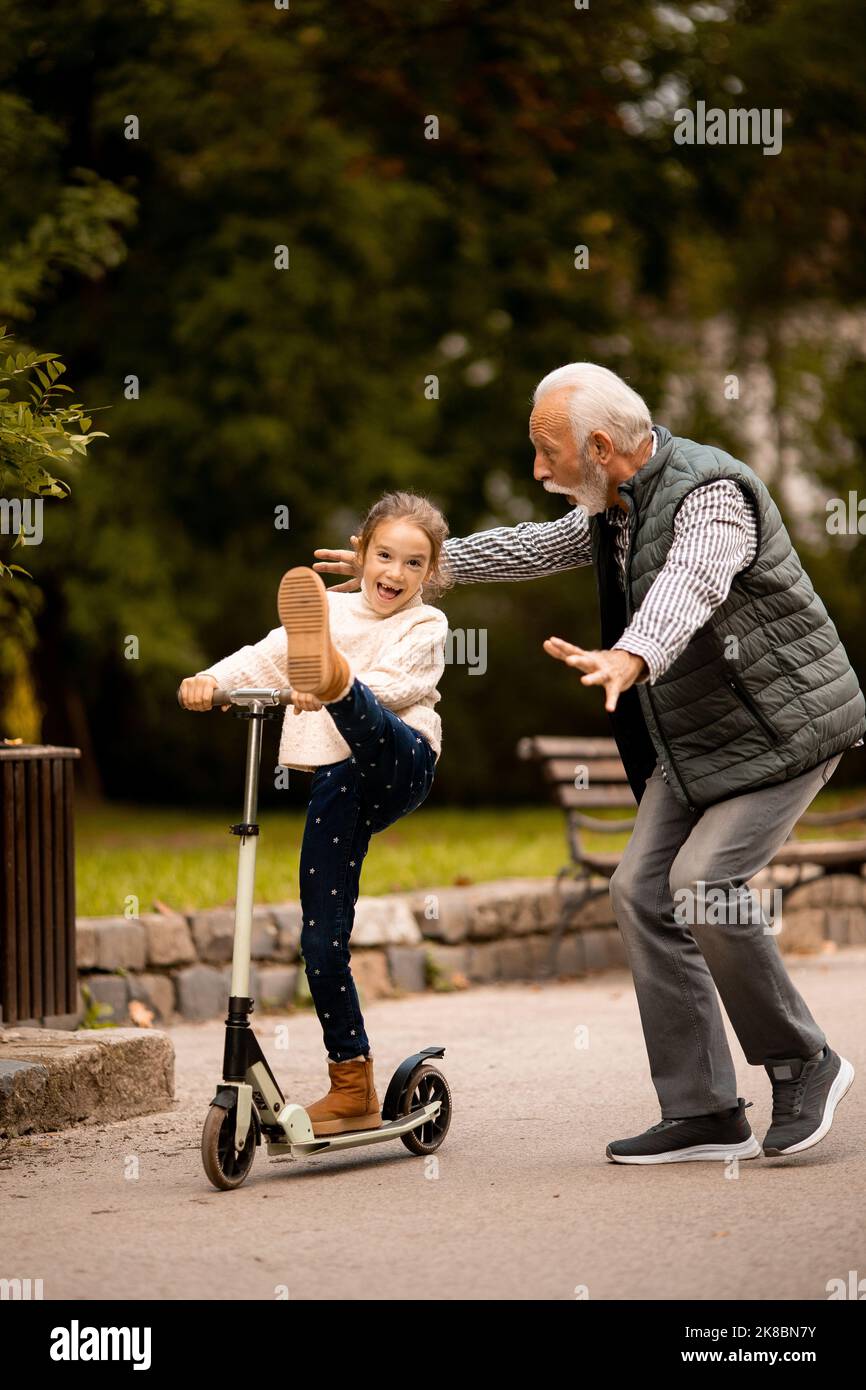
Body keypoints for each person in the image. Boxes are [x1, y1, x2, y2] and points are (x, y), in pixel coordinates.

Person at [314, 362, 865, 1164]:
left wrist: (633, 654)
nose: (538, 472)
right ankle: (705, 1109)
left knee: (701, 883)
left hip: (783, 728)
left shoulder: (713, 495)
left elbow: (691, 583)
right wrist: (410, 567)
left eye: (547, 453)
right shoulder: (614, 508)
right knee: (640, 890)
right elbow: (532, 547)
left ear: (601, 447)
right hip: (700, 741)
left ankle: (804, 1061)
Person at [179, 490, 451, 1137]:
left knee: (364, 705)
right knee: (320, 941)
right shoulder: (323, 610)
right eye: (384, 555)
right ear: (359, 553)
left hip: (400, 761)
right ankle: (351, 1084)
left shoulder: (425, 626)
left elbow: (398, 684)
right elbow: (262, 660)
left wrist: (333, 683)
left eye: (414, 565)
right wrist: (211, 681)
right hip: (339, 784)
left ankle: (332, 678)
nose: (395, 574)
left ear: (430, 574)